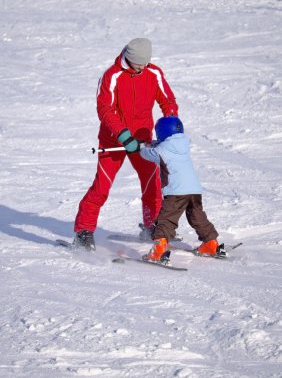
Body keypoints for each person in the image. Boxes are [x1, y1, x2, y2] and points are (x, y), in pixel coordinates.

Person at [73, 38, 178, 250]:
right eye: (138, 63)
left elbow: (168, 101)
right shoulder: (111, 76)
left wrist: (171, 123)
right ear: (128, 58)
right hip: (113, 140)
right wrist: (123, 136)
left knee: (152, 185)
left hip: (143, 140)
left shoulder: (153, 73)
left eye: (145, 63)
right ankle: (83, 231)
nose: (142, 67)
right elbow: (104, 109)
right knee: (101, 187)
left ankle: (153, 226)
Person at [139, 116, 220, 262]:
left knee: (167, 219)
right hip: (194, 190)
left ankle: (158, 250)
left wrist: (139, 147)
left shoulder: (161, 150)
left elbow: (146, 154)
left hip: (176, 192)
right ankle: (210, 243)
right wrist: (155, 144)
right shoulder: (183, 145)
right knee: (197, 217)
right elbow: (166, 147)